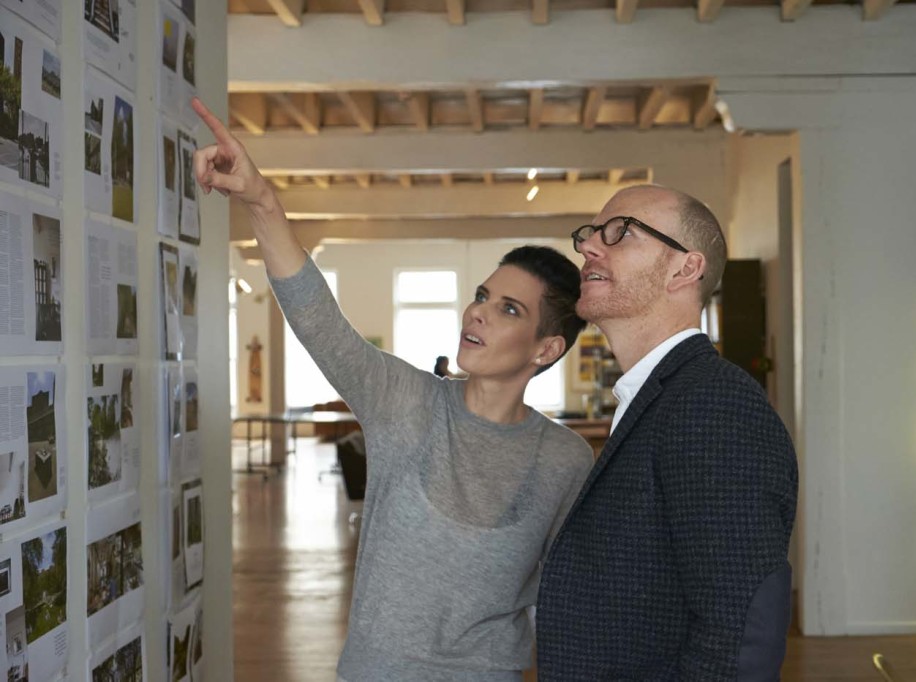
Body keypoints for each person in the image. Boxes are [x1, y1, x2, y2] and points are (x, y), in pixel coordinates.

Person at [189, 97, 594, 682]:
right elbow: (318, 319)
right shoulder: (405, 402)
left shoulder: (564, 460)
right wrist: (260, 200)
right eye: (481, 296)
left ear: (545, 348)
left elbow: (571, 598)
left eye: (507, 309)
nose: (477, 313)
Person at [536, 185, 798, 680]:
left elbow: (741, 633)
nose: (590, 246)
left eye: (621, 233)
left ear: (686, 269)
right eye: (590, 234)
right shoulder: (658, 398)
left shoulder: (713, 406)